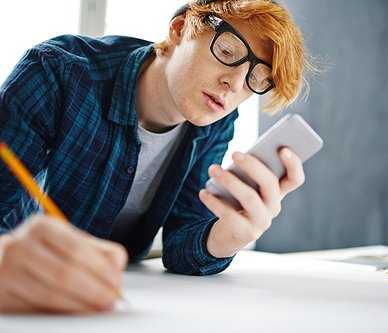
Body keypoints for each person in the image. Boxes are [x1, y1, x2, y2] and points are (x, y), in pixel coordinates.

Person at [0, 0, 315, 313]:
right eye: (228, 52)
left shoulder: (215, 120)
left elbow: (179, 247)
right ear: (180, 29)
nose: (234, 84)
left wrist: (223, 238)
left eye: (256, 80)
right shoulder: (56, 72)